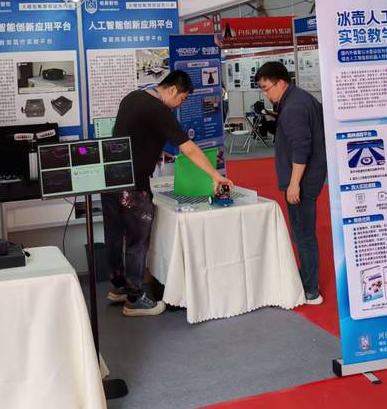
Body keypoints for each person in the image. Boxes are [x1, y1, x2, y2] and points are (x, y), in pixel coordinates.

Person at [101, 71, 234, 317]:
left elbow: (132, 136)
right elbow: (189, 149)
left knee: (114, 236)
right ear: (172, 90)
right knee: (137, 241)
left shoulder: (133, 98)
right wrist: (216, 176)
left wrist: (156, 152)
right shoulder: (159, 109)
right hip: (134, 186)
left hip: (110, 179)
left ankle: (119, 287)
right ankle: (135, 298)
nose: (180, 104)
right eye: (182, 98)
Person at [255, 61, 326, 305]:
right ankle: (307, 279)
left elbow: (301, 147)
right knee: (302, 233)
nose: (266, 94)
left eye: (266, 88)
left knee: (303, 235)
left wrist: (294, 183)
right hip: (310, 176)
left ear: (281, 83)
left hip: (303, 181)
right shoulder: (300, 99)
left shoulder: (294, 106)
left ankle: (311, 290)